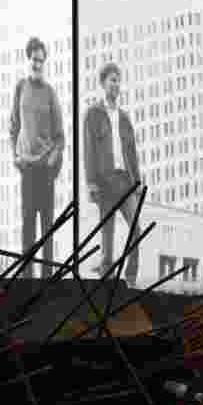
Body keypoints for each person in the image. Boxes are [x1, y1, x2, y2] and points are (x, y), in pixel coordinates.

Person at [9, 37, 64, 278]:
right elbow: (13, 126)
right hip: (27, 169)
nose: (37, 64)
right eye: (34, 59)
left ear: (45, 62)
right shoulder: (20, 88)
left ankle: (47, 279)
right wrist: (15, 156)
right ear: (28, 59)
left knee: (47, 226)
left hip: (45, 169)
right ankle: (26, 279)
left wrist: (54, 159)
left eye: (41, 60)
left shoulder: (50, 93)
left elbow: (60, 136)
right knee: (27, 224)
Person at [83, 62, 142, 285]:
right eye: (112, 80)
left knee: (136, 229)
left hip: (126, 182)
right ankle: (106, 279)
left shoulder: (125, 118)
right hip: (105, 182)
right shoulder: (93, 114)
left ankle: (130, 278)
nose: (116, 84)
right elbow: (88, 150)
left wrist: (137, 183)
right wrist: (90, 183)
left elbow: (132, 153)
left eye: (119, 80)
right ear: (103, 83)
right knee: (107, 236)